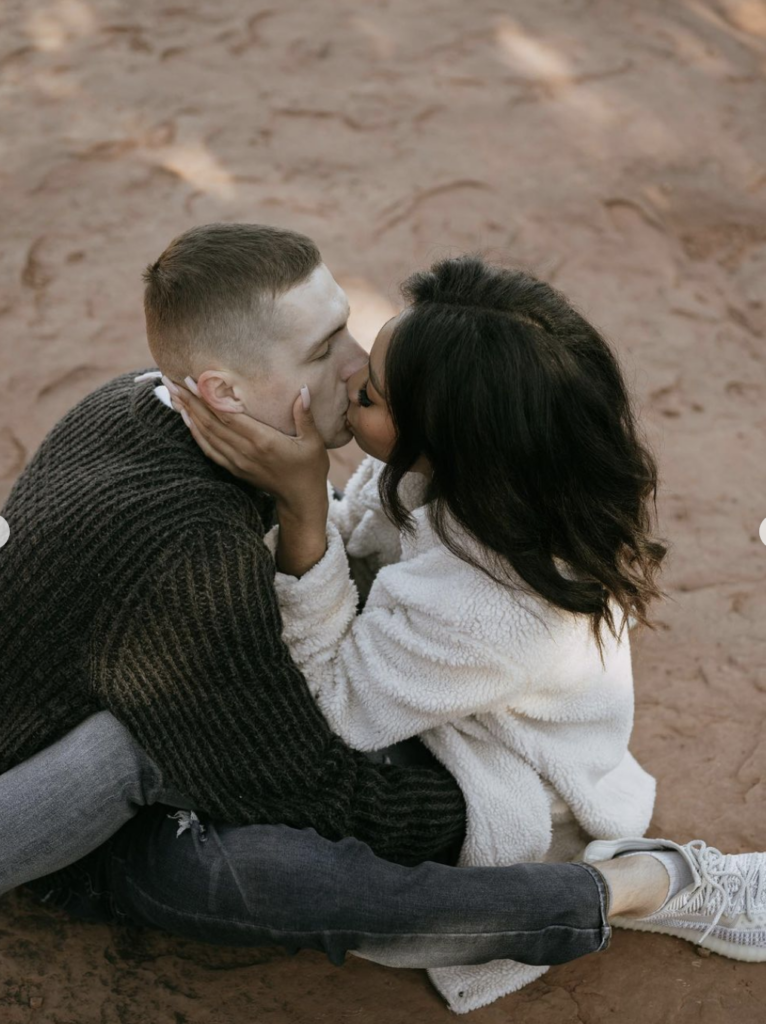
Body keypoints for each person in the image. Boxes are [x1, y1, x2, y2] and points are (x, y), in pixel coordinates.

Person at [0, 225, 763, 1014]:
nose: (356, 367)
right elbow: (340, 574)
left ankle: (633, 887)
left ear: (446, 437)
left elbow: (329, 729)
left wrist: (301, 508)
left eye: (370, 387)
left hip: (469, 776)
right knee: (163, 763)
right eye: (333, 346)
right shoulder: (426, 475)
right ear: (218, 391)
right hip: (381, 697)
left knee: (233, 849)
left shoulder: (489, 604)